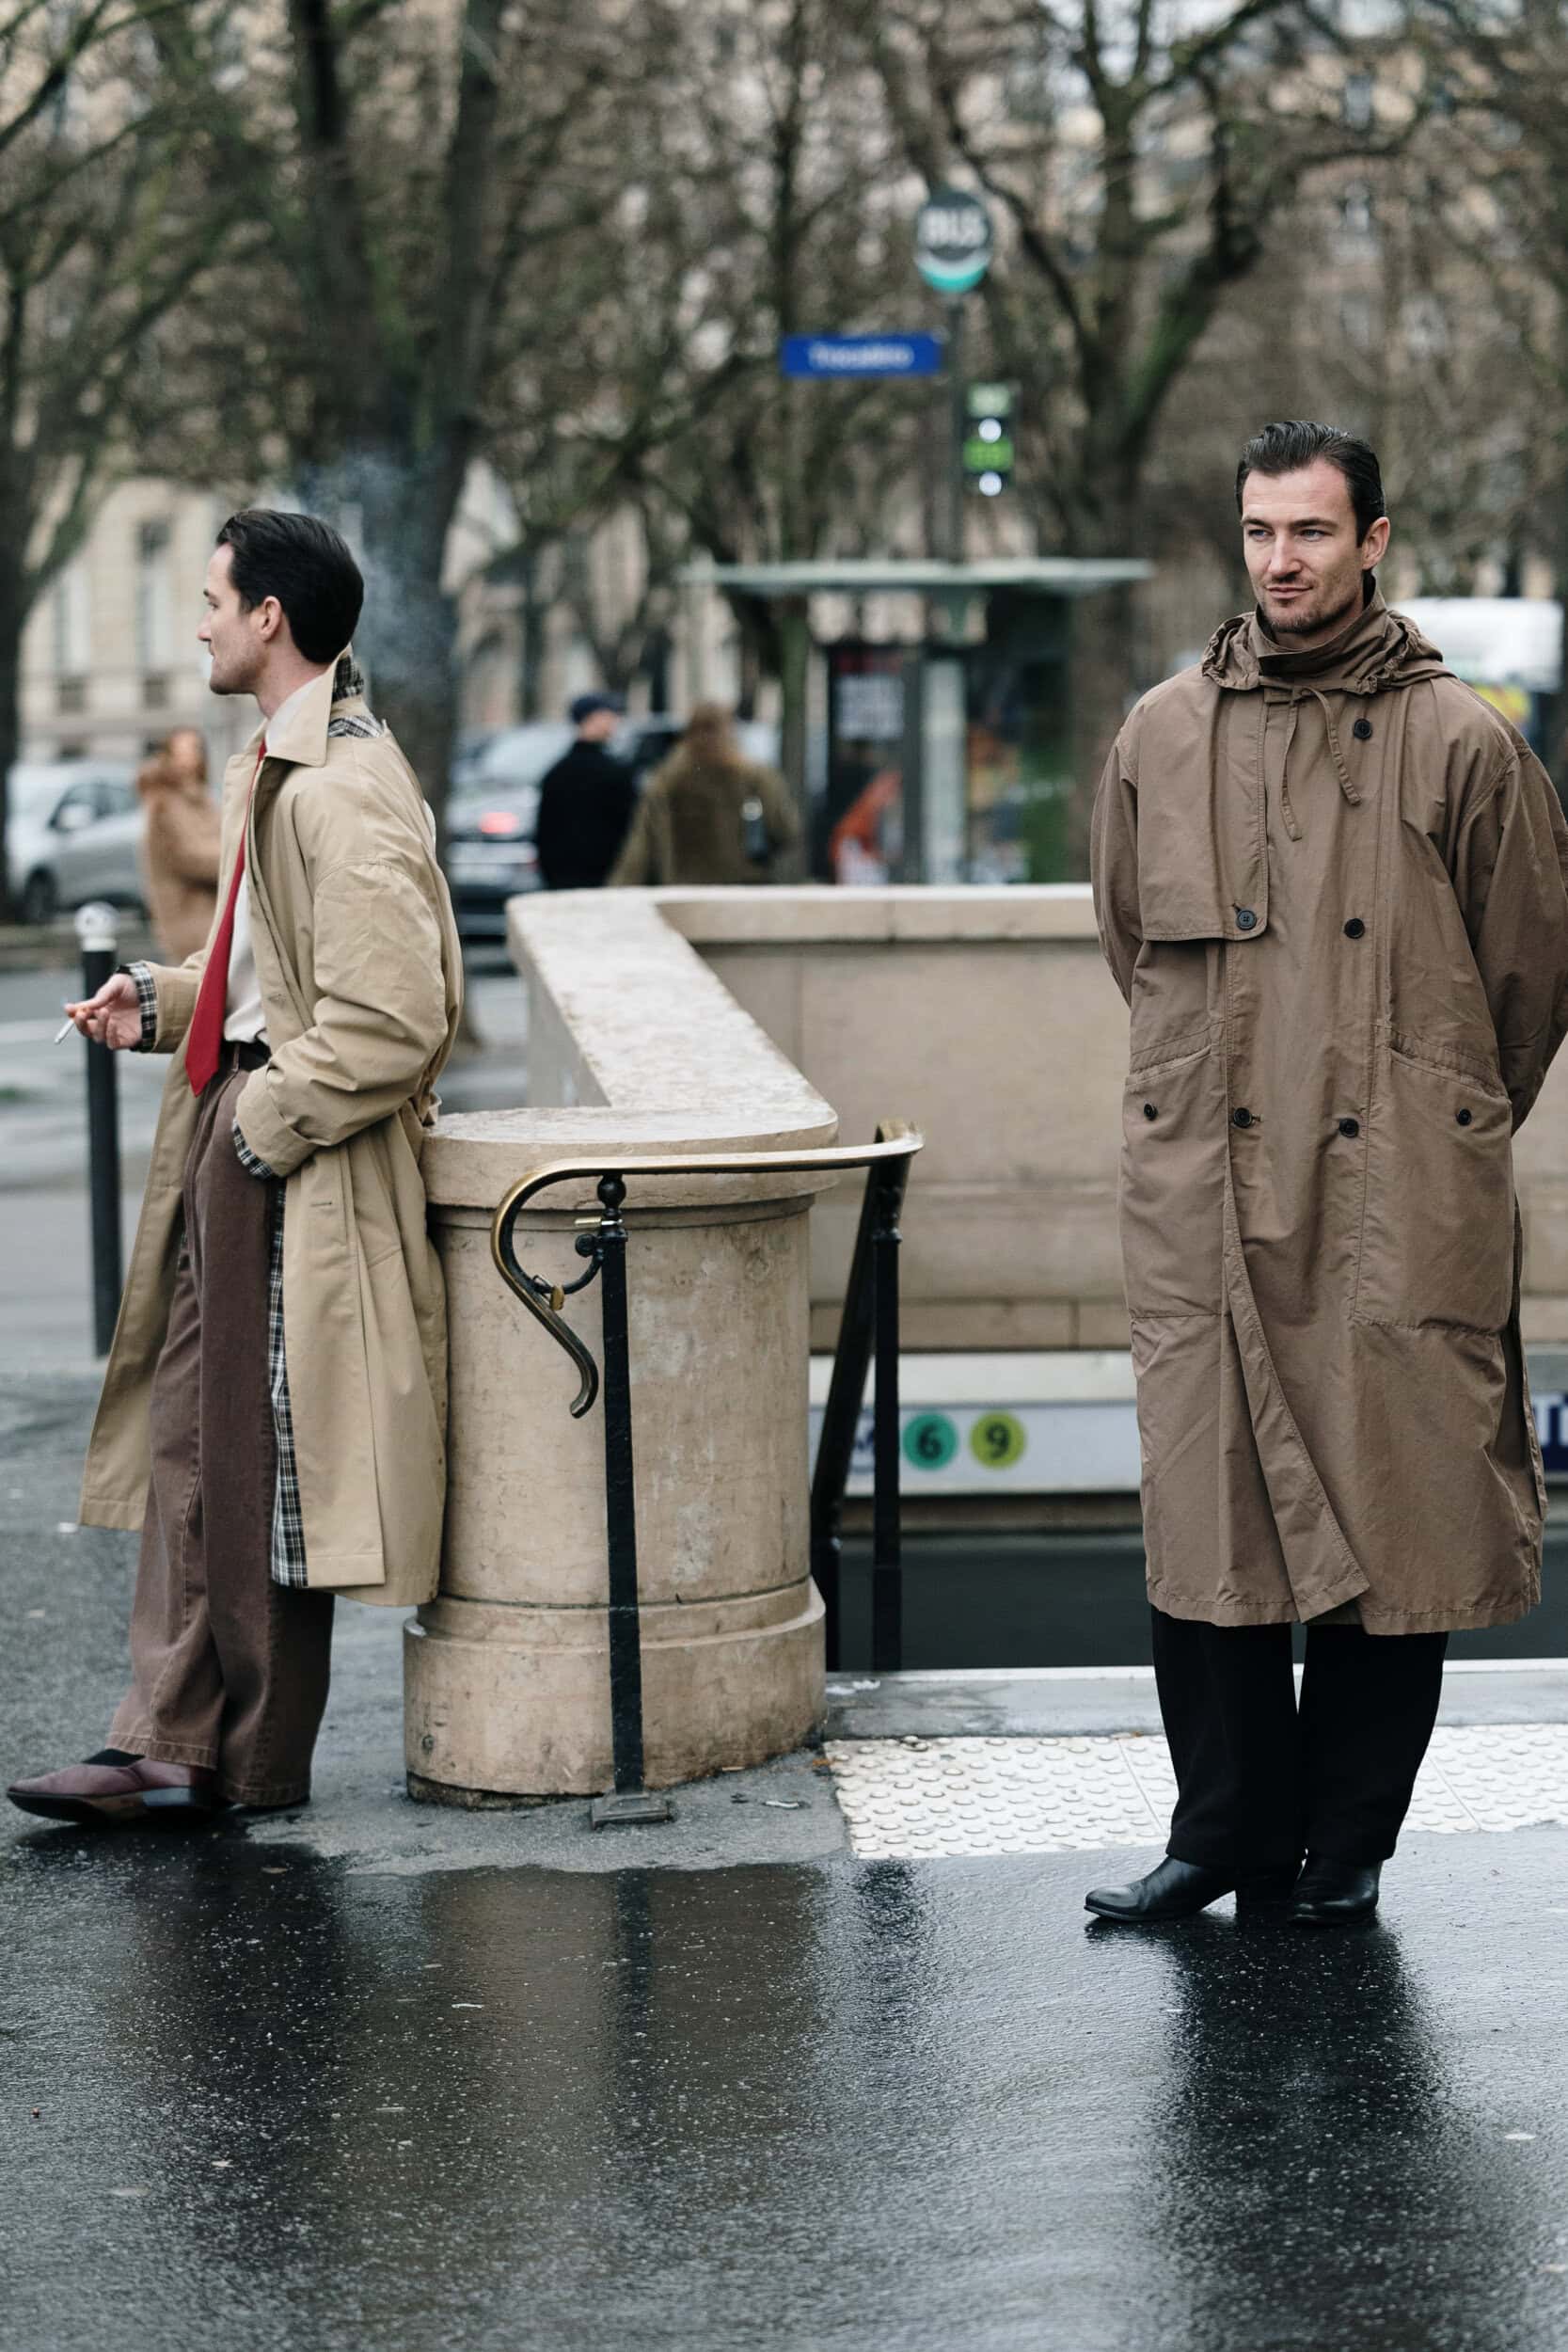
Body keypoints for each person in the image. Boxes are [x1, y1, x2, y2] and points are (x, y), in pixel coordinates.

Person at [1086, 421, 1568, 1928]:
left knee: (1395, 1513)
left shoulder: (1462, 742)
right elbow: (1124, 942)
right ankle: (1221, 1825)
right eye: (1258, 533)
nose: (1280, 561)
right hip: (1207, 1192)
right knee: (1205, 1508)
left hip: (1392, 1193)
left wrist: (1424, 1117)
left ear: (1372, 541)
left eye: (1309, 532)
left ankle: (1344, 1841)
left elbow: (1524, 985)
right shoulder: (1159, 733)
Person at [8, 510, 463, 1826]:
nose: (198, 620)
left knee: (252, 1459)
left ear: (271, 617)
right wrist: (156, 1003)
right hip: (248, 1116)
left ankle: (221, 1758)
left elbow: (393, 1015)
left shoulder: (337, 781)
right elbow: (281, 977)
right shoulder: (284, 761)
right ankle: (168, 1736)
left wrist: (263, 1130)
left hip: (282, 1138)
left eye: (211, 597)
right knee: (196, 1442)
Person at [610, 702, 799, 886]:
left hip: (686, 891)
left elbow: (640, 847)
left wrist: (618, 891)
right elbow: (785, 828)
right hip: (744, 888)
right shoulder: (755, 777)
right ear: (729, 730)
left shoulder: (666, 780)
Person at [532, 691, 637, 889]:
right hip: (606, 879)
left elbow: (543, 834)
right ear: (591, 718)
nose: (615, 720)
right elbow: (629, 829)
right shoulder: (615, 772)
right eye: (608, 714)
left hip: (562, 880)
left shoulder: (556, 773)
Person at [136, 725, 220, 961]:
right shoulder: (162, 802)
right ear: (169, 755)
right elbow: (185, 857)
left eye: (197, 748)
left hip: (212, 910)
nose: (194, 755)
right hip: (187, 913)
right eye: (186, 749)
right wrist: (238, 860)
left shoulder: (202, 798)